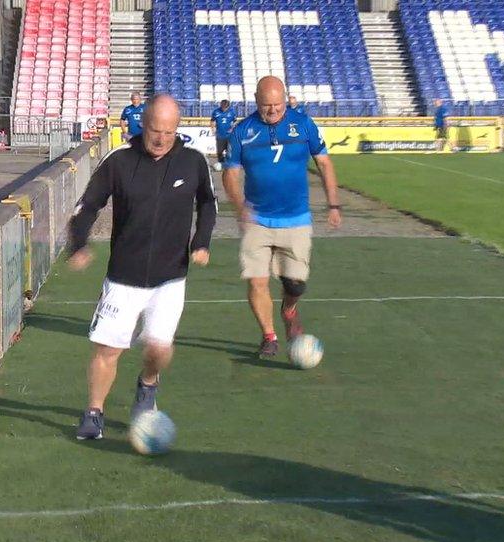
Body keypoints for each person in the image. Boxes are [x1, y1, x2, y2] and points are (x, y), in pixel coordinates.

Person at [69, 95, 218, 440]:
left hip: (170, 278)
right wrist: (79, 244)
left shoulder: (192, 161)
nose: (161, 139)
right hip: (124, 277)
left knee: (158, 350)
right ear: (143, 124)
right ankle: (94, 412)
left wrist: (201, 242)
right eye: (155, 130)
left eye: (169, 132)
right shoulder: (119, 161)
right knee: (108, 349)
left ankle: (148, 385)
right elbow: (88, 205)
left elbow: (208, 204)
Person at [222, 76, 342, 358]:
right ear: (255, 100)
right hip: (257, 220)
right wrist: (240, 207)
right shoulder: (243, 132)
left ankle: (289, 308)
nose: (272, 110)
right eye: (266, 105)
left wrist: (333, 205)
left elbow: (323, 162)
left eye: (277, 104)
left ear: (285, 99)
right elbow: (230, 173)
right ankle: (269, 336)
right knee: (257, 279)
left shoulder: (303, 124)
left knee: (296, 283)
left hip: (296, 218)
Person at [210, 99, 237, 169]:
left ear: (228, 107)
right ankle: (221, 164)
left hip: (229, 135)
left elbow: (234, 122)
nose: (224, 109)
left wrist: (232, 129)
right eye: (223, 107)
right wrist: (213, 129)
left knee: (229, 151)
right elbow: (212, 121)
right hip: (220, 135)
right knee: (219, 152)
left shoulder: (232, 112)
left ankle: (229, 164)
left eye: (226, 107)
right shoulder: (216, 112)